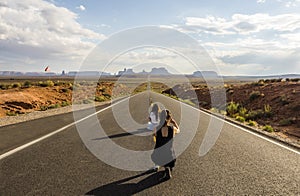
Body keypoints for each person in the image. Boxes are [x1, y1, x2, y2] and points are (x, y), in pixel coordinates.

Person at [151, 109, 180, 180]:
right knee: (168, 155)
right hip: (170, 157)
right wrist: (174, 122)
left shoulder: (156, 129)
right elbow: (178, 130)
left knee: (158, 152)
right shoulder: (172, 129)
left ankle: (163, 166)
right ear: (170, 118)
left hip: (158, 156)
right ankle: (168, 167)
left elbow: (154, 134)